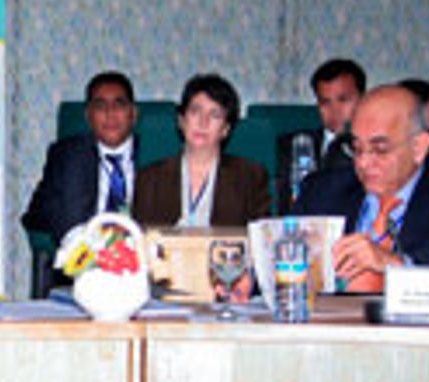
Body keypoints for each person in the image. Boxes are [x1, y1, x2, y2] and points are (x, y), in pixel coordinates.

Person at [295, 85, 429, 292]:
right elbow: (285, 259)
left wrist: (394, 265)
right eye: (357, 149)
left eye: (380, 150)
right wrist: (251, 280)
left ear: (419, 148)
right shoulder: (321, 192)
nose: (363, 162)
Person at [22, 71, 138, 284]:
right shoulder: (67, 156)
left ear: (133, 113)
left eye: (119, 104)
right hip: (83, 272)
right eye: (100, 106)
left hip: (141, 270)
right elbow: (43, 214)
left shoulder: (157, 156)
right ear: (88, 116)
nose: (110, 114)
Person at [134, 74, 270, 228]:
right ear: (181, 121)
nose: (203, 122)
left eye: (215, 115)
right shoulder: (149, 179)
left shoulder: (250, 177)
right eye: (195, 112)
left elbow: (260, 241)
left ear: (226, 129)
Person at [275, 58, 366, 211]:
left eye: (343, 100)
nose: (334, 111)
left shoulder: (372, 149)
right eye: (325, 102)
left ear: (363, 99)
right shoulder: (291, 145)